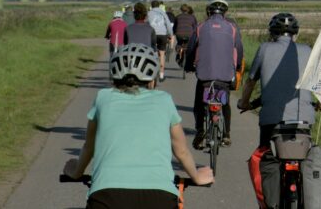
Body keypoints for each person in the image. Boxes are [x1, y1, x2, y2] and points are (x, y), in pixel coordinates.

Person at [63, 43, 213, 209]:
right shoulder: (164, 100)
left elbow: (89, 146)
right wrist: (197, 177)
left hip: (107, 195)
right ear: (152, 79)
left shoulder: (103, 98)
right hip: (159, 195)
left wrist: (76, 171)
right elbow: (181, 150)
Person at [238, 12, 316, 147]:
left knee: (266, 156)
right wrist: (320, 103)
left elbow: (251, 82)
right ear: (295, 34)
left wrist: (245, 103)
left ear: (272, 33)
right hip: (303, 118)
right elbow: (318, 82)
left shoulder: (265, 48)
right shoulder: (308, 50)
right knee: (305, 155)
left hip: (271, 119)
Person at [184, 0, 243, 148]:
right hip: (225, 76)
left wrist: (188, 65)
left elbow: (191, 49)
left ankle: (200, 130)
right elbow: (239, 49)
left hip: (205, 76)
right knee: (226, 103)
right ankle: (227, 134)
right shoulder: (232, 28)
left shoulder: (200, 27)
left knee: (199, 104)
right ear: (225, 13)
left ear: (208, 12)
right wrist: (237, 67)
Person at [148, 0, 174, 81]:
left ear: (151, 6)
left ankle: (151, 71)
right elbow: (168, 24)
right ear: (159, 6)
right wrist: (170, 34)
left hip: (152, 34)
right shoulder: (163, 13)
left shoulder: (149, 13)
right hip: (162, 34)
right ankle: (161, 75)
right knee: (162, 54)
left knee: (151, 52)